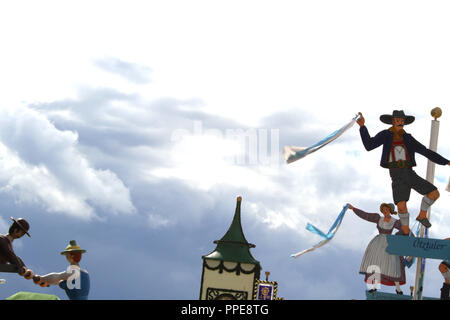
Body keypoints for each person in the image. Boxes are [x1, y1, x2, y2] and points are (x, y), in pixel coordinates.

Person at [356, 110, 450, 235]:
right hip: (395, 174)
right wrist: (362, 127)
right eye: (397, 120)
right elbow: (369, 145)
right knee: (401, 206)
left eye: (402, 120)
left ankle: (422, 215)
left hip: (408, 172)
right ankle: (405, 232)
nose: (400, 122)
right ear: (393, 121)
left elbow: (426, 152)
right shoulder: (386, 135)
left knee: (433, 193)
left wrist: (447, 162)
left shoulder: (408, 138)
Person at [348, 203, 406, 294]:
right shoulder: (378, 218)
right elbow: (365, 215)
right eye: (383, 209)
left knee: (393, 265)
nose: (385, 211)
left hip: (389, 244)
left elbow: (405, 230)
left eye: (386, 209)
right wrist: (353, 208)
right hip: (377, 244)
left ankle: (398, 289)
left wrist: (399, 236)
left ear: (390, 210)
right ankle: (374, 287)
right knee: (375, 264)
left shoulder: (395, 221)